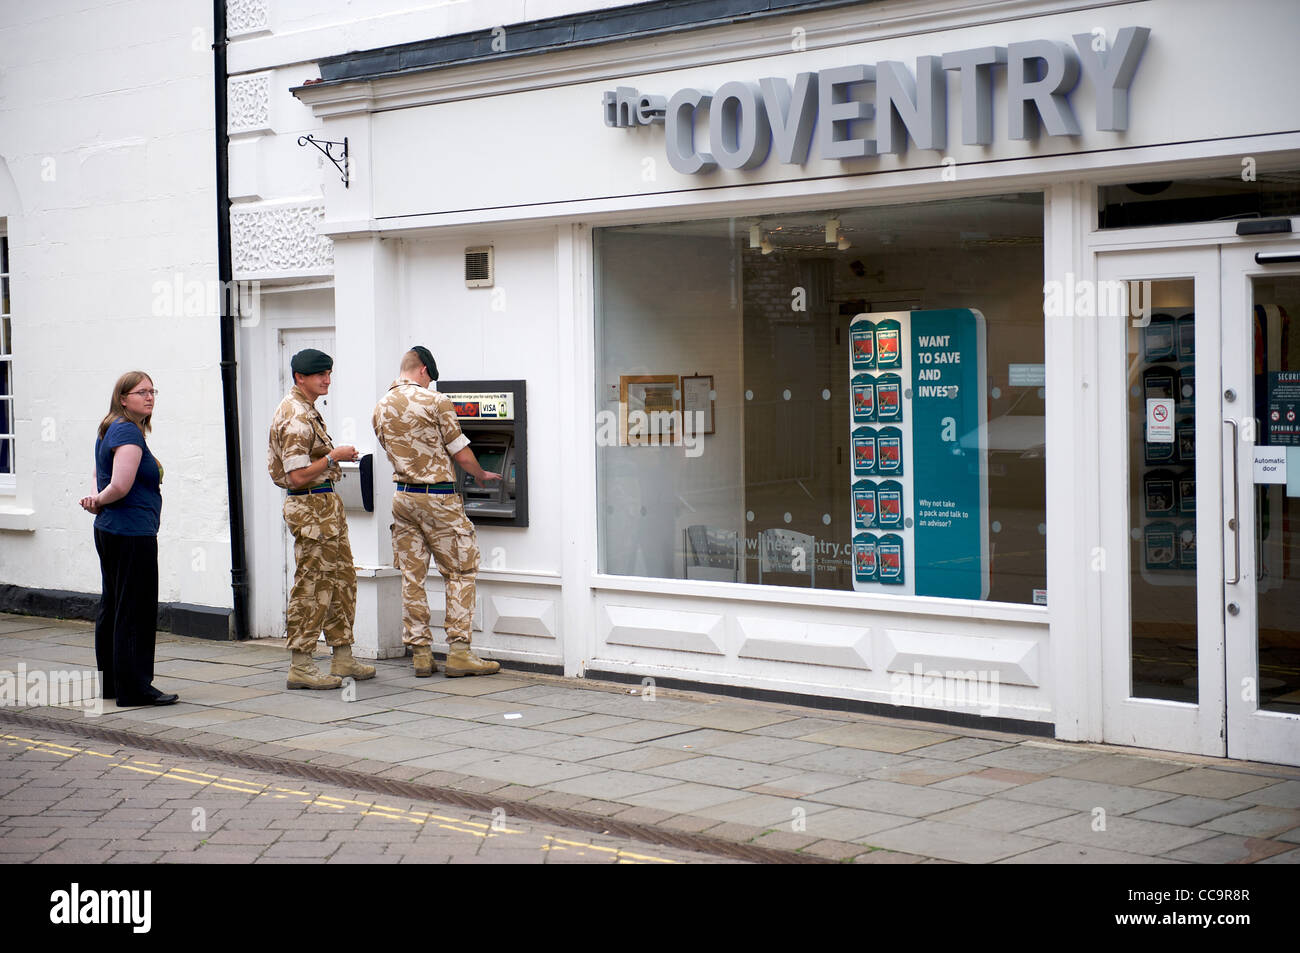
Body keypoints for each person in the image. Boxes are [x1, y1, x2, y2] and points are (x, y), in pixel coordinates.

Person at [372, 346, 502, 676]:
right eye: (430, 379)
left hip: (403, 498)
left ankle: (420, 655)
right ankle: (459, 653)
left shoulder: (380, 407)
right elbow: (460, 451)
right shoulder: (435, 401)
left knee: (412, 576)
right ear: (424, 371)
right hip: (438, 498)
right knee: (461, 570)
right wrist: (480, 474)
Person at [267, 348, 376, 689]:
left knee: (341, 580)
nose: (327, 379)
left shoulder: (308, 410)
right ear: (300, 377)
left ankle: (341, 656)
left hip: (324, 506)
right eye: (319, 374)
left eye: (329, 373)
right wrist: (333, 456)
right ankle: (301, 664)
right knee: (313, 585)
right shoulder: (295, 416)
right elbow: (297, 476)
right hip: (309, 506)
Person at [79, 371, 178, 706]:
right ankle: (135, 688)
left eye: (153, 391)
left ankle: (113, 684)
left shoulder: (110, 427)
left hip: (111, 530)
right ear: (123, 398)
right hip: (132, 532)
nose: (149, 397)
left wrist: (95, 499)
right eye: (141, 392)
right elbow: (120, 485)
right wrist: (100, 500)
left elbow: (97, 473)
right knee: (134, 608)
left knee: (114, 604)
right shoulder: (127, 433)